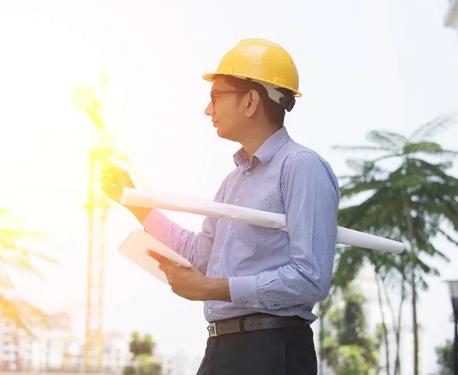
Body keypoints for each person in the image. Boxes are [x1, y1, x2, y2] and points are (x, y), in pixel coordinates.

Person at [101, 38, 340, 375]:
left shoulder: (302, 167)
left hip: (272, 351)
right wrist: (135, 202)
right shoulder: (233, 182)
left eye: (215, 97)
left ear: (251, 100)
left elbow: (310, 278)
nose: (208, 110)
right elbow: (203, 256)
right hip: (221, 348)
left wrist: (211, 289)